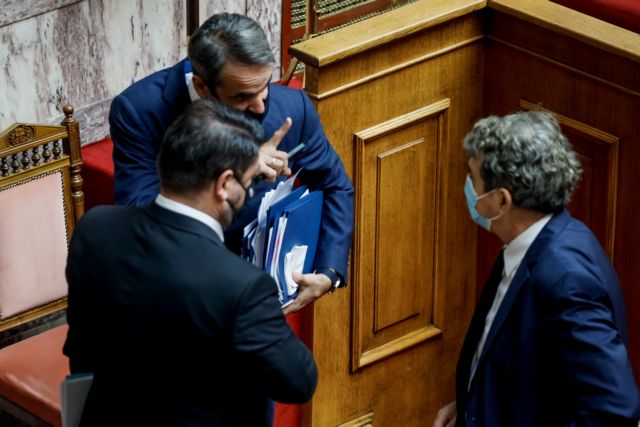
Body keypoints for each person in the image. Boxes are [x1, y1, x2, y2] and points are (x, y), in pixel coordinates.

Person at [64, 99, 318, 426]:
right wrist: (266, 315)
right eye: (248, 182)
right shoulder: (242, 287)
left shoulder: (95, 228)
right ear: (223, 184)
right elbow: (299, 380)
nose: (250, 193)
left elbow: (81, 351)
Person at [109, 13, 354, 314]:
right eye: (243, 97)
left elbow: (335, 185)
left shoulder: (293, 107)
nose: (261, 106)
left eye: (265, 85)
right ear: (202, 87)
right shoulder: (139, 111)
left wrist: (329, 272)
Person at [434, 111, 640, 427]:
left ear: (502, 201)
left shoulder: (566, 280)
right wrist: (472, 405)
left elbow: (613, 413)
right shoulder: (530, 242)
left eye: (472, 179)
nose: (469, 188)